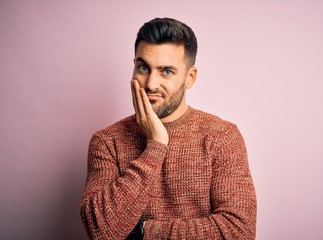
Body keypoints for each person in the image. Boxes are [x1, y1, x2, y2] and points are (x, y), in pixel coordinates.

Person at [80, 17, 257, 240]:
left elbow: (238, 232)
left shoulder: (222, 137)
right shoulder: (107, 141)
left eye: (167, 72)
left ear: (190, 77)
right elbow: (102, 230)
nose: (151, 84)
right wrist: (155, 146)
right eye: (143, 67)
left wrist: (142, 232)